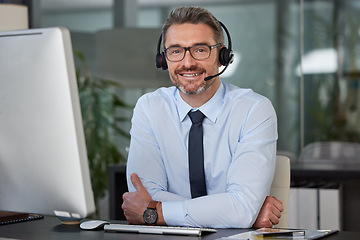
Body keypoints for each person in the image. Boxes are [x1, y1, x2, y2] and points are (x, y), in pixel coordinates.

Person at [122, 6, 283, 228]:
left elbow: (240, 208)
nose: (187, 63)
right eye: (176, 51)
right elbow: (143, 194)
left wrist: (156, 211)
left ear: (222, 56)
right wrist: (236, 213)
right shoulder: (149, 108)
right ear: (163, 59)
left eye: (200, 50)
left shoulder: (254, 110)